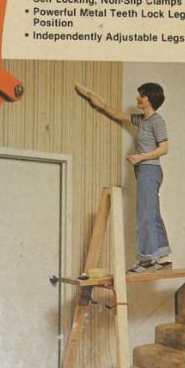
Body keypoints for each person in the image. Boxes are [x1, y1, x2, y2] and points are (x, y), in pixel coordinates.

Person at [76, 81, 171, 272]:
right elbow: (118, 114)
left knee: (145, 214)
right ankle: (161, 257)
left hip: (150, 170)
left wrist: (140, 157)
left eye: (141, 95)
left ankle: (147, 260)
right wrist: (99, 103)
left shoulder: (157, 121)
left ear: (149, 99)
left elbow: (164, 149)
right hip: (144, 170)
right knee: (151, 213)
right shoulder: (141, 120)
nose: (137, 98)